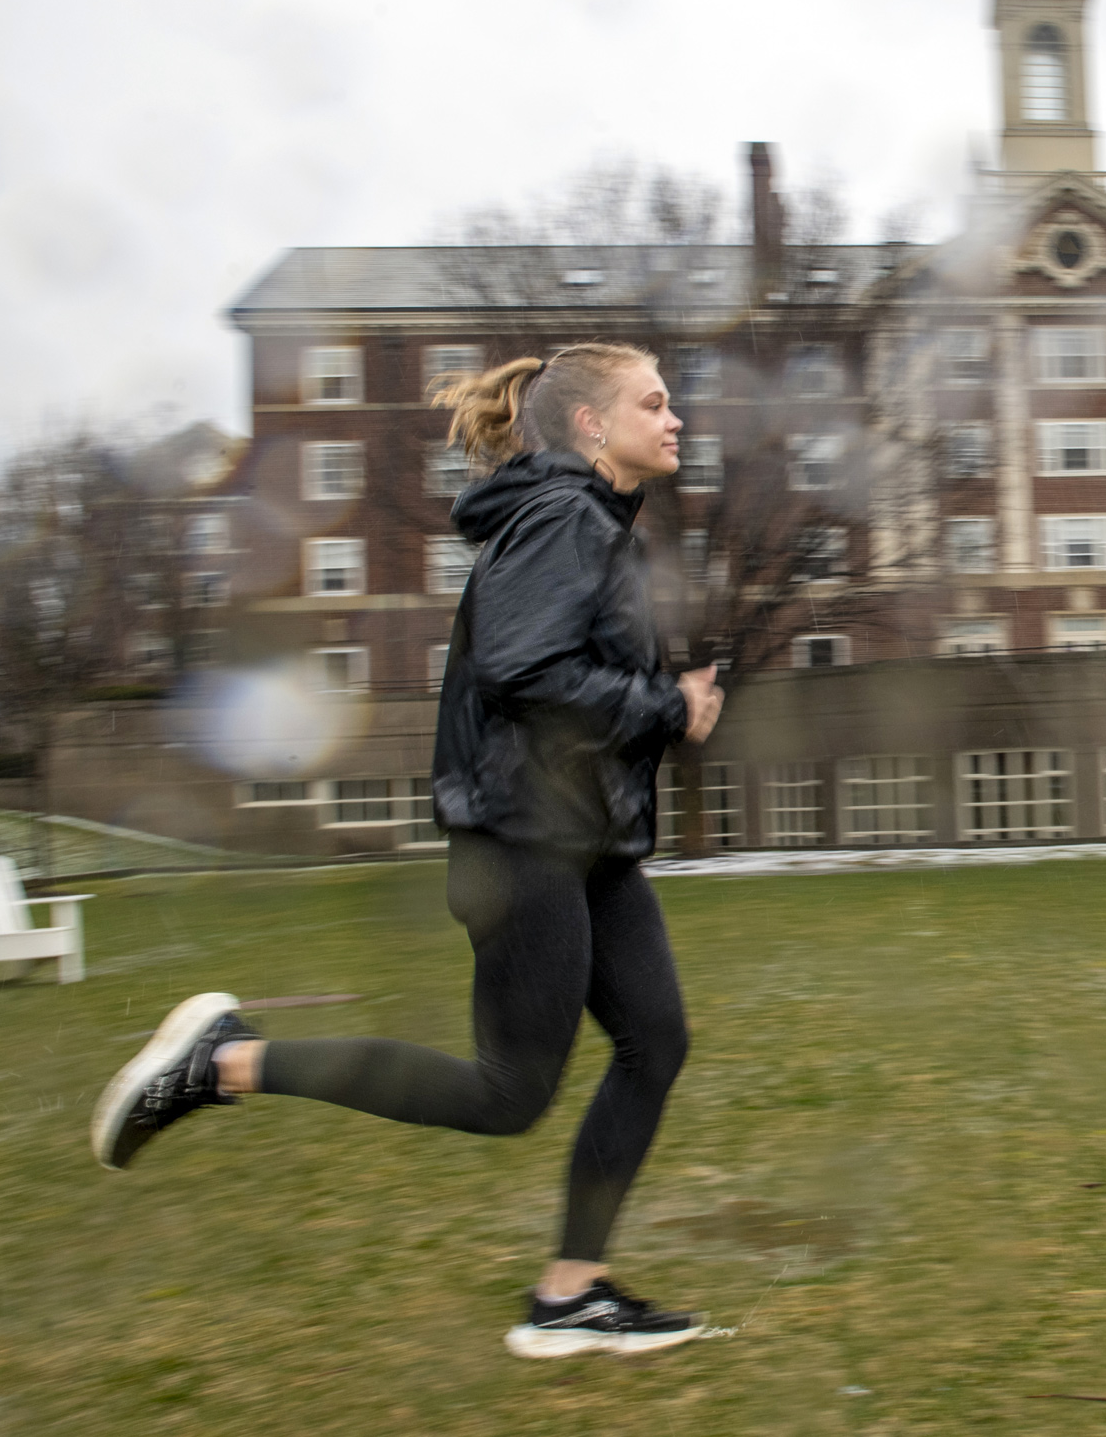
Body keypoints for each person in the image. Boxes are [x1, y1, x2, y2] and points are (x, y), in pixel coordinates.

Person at [91, 343, 727, 1359]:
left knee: (655, 1039)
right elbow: (526, 667)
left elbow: (556, 677)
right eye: (653, 402)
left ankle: (572, 1291)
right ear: (591, 427)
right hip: (526, 840)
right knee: (505, 1090)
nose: (676, 418)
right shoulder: (563, 517)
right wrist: (665, 703)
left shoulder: (588, 522)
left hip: (586, 839)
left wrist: (657, 711)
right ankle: (225, 1061)